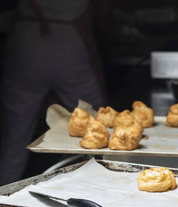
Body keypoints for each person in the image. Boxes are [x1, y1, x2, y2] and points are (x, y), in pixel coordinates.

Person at [0, 0, 111, 186]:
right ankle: (99, 193)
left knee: (13, 142)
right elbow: (103, 17)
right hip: (70, 37)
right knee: (98, 126)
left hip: (26, 36)